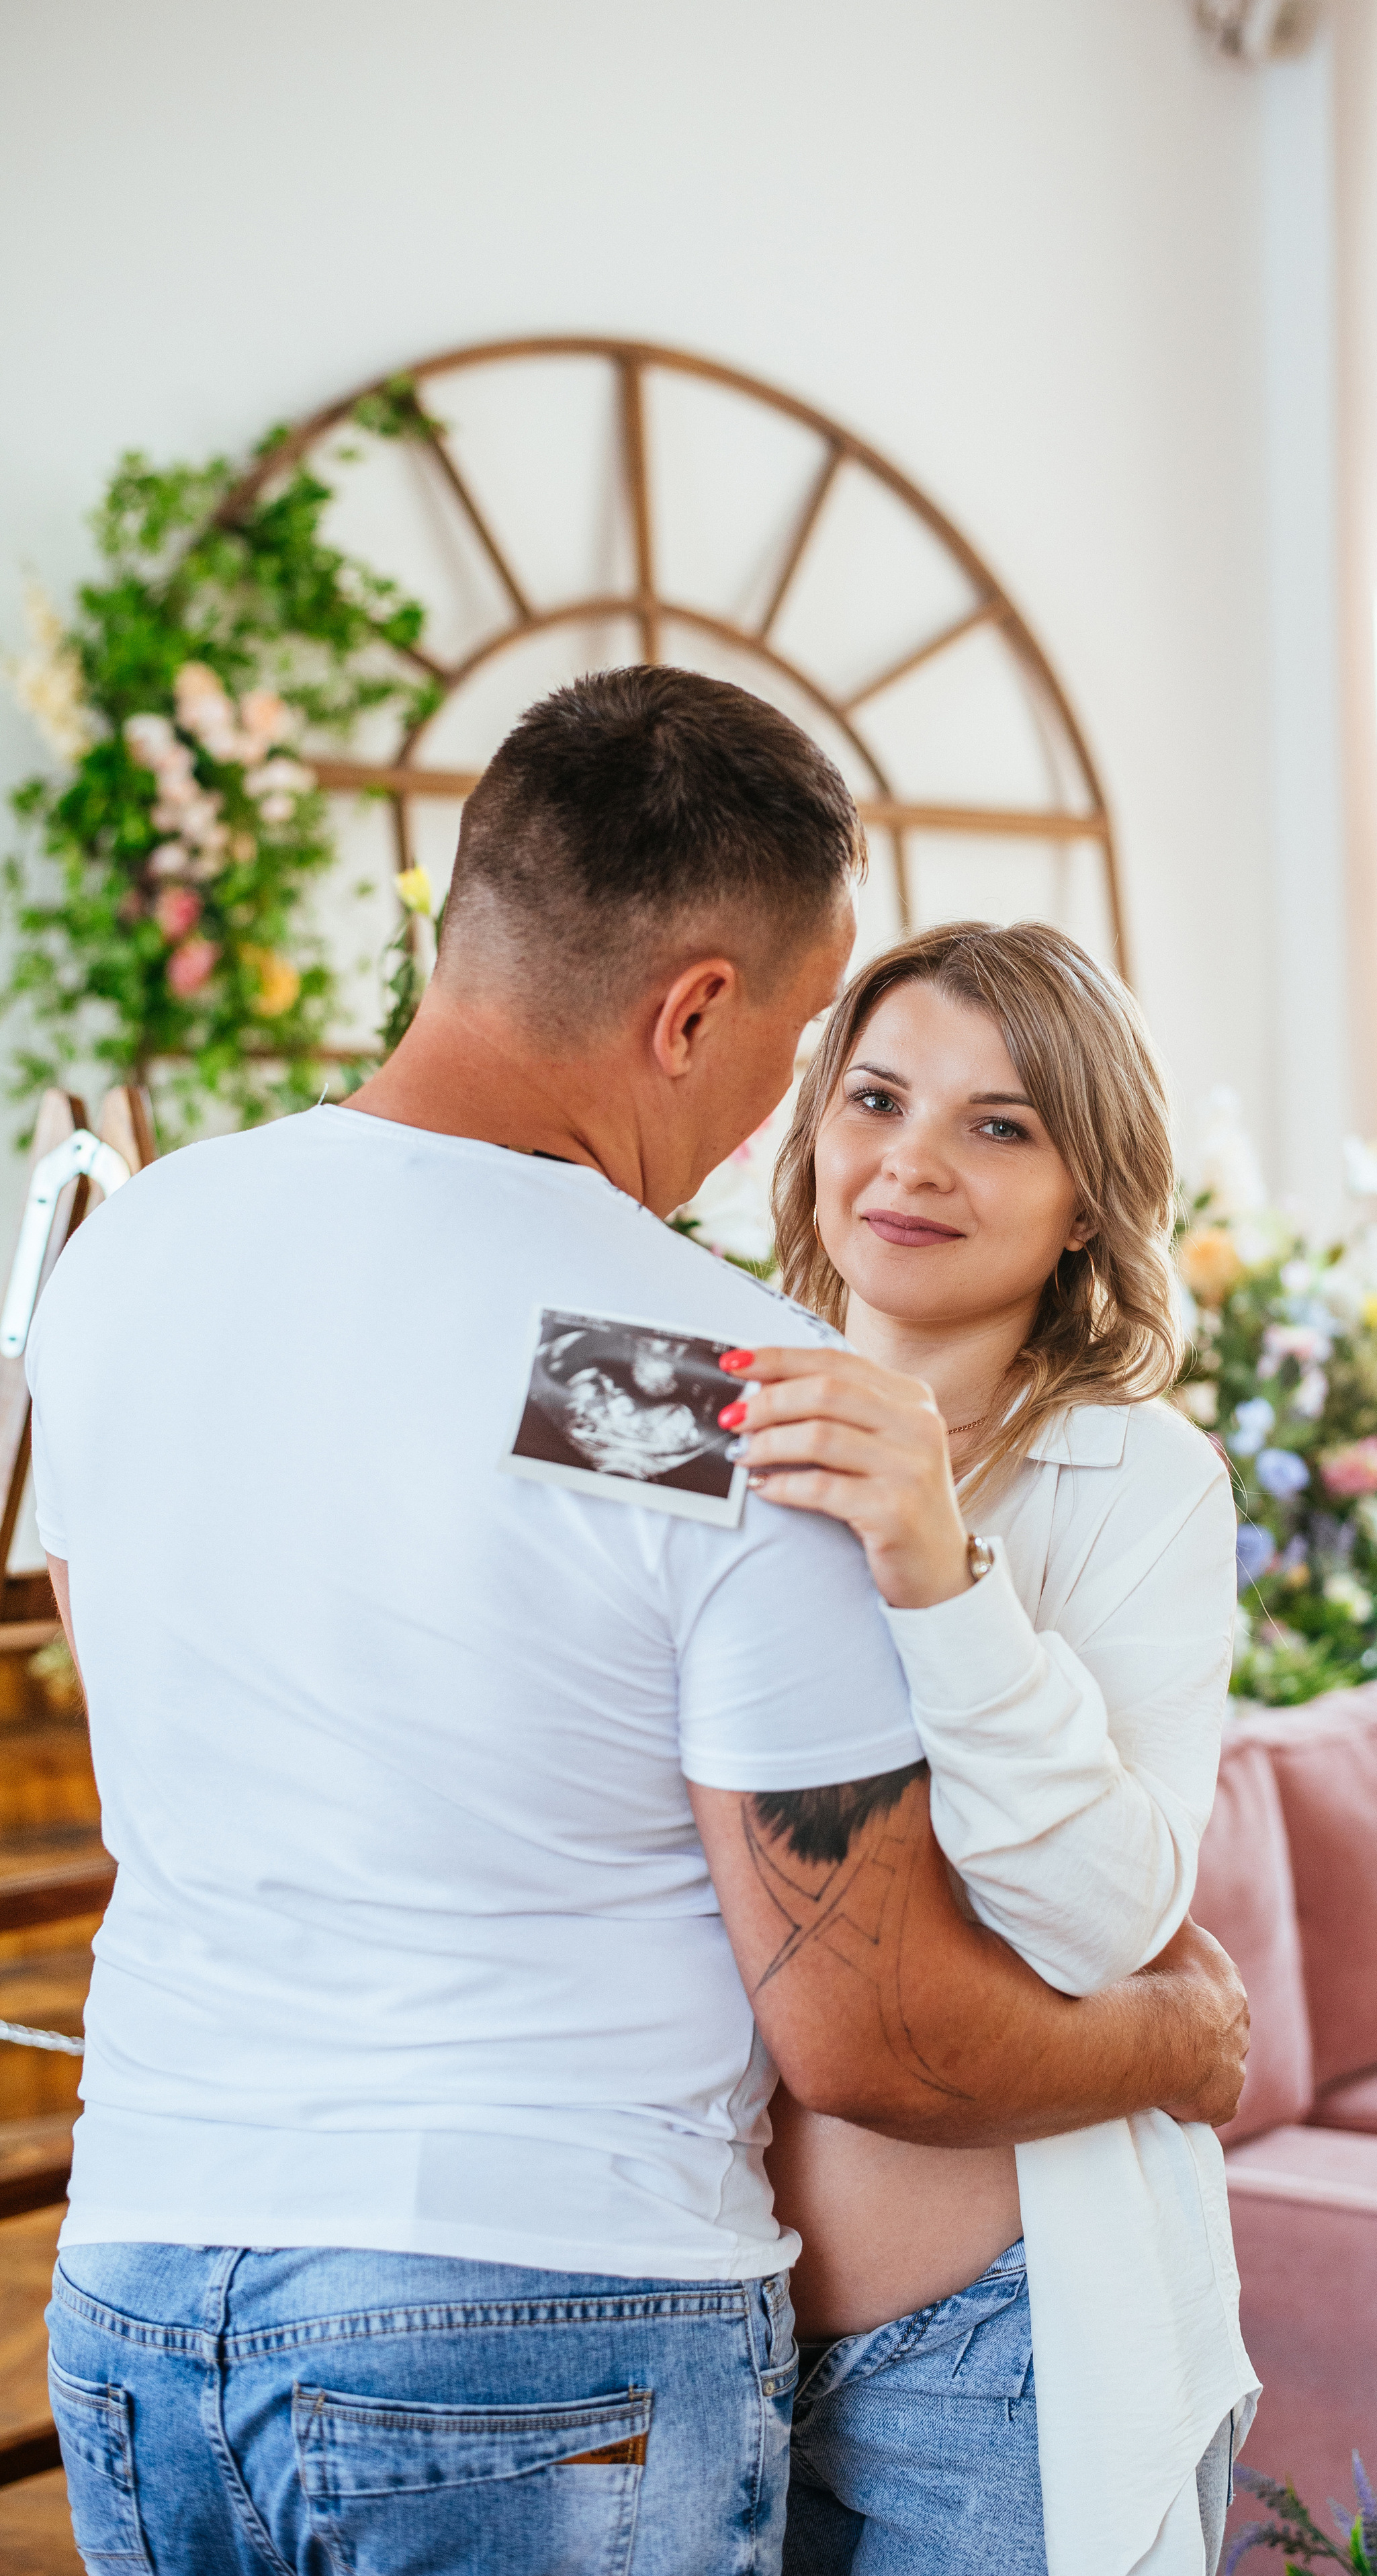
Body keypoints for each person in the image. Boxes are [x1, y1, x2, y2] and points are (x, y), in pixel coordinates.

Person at [29, 670, 1247, 2576]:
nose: (873, 1147)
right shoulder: (701, 1371)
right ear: (693, 1011)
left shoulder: (135, 1254)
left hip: (144, 2278)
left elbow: (182, 1645)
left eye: (1000, 1126)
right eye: (826, 1065)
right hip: (527, 2315)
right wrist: (1182, 2039)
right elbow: (860, 2021)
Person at [720, 921, 1258, 2575]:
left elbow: (1105, 1925)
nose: (911, 1163)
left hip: (996, 2361)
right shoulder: (698, 1403)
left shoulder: (1139, 1480)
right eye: (875, 1097)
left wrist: (934, 1568)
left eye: (999, 1124)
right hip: (685, 2341)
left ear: (1087, 1194)